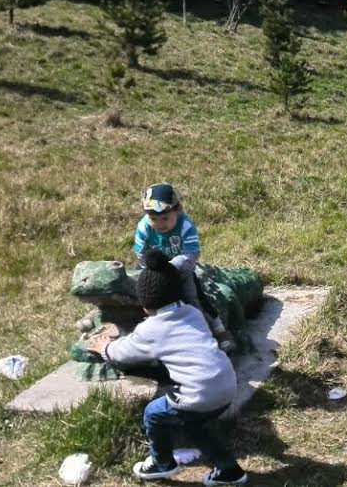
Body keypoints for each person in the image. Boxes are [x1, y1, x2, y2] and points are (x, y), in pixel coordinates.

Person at [89, 248, 248, 485]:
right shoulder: (192, 313)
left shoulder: (151, 329)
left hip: (199, 393)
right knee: (194, 426)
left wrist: (104, 347)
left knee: (153, 414)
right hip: (226, 384)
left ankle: (161, 463)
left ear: (145, 302)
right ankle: (230, 471)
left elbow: (122, 353)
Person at [134, 184, 235, 353]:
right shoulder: (144, 227)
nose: (159, 224)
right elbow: (140, 252)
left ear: (177, 210)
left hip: (182, 271)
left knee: (195, 300)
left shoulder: (185, 225)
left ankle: (218, 331)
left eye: (165, 218)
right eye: (153, 218)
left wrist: (172, 267)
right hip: (156, 272)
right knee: (150, 302)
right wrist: (151, 267)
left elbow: (192, 252)